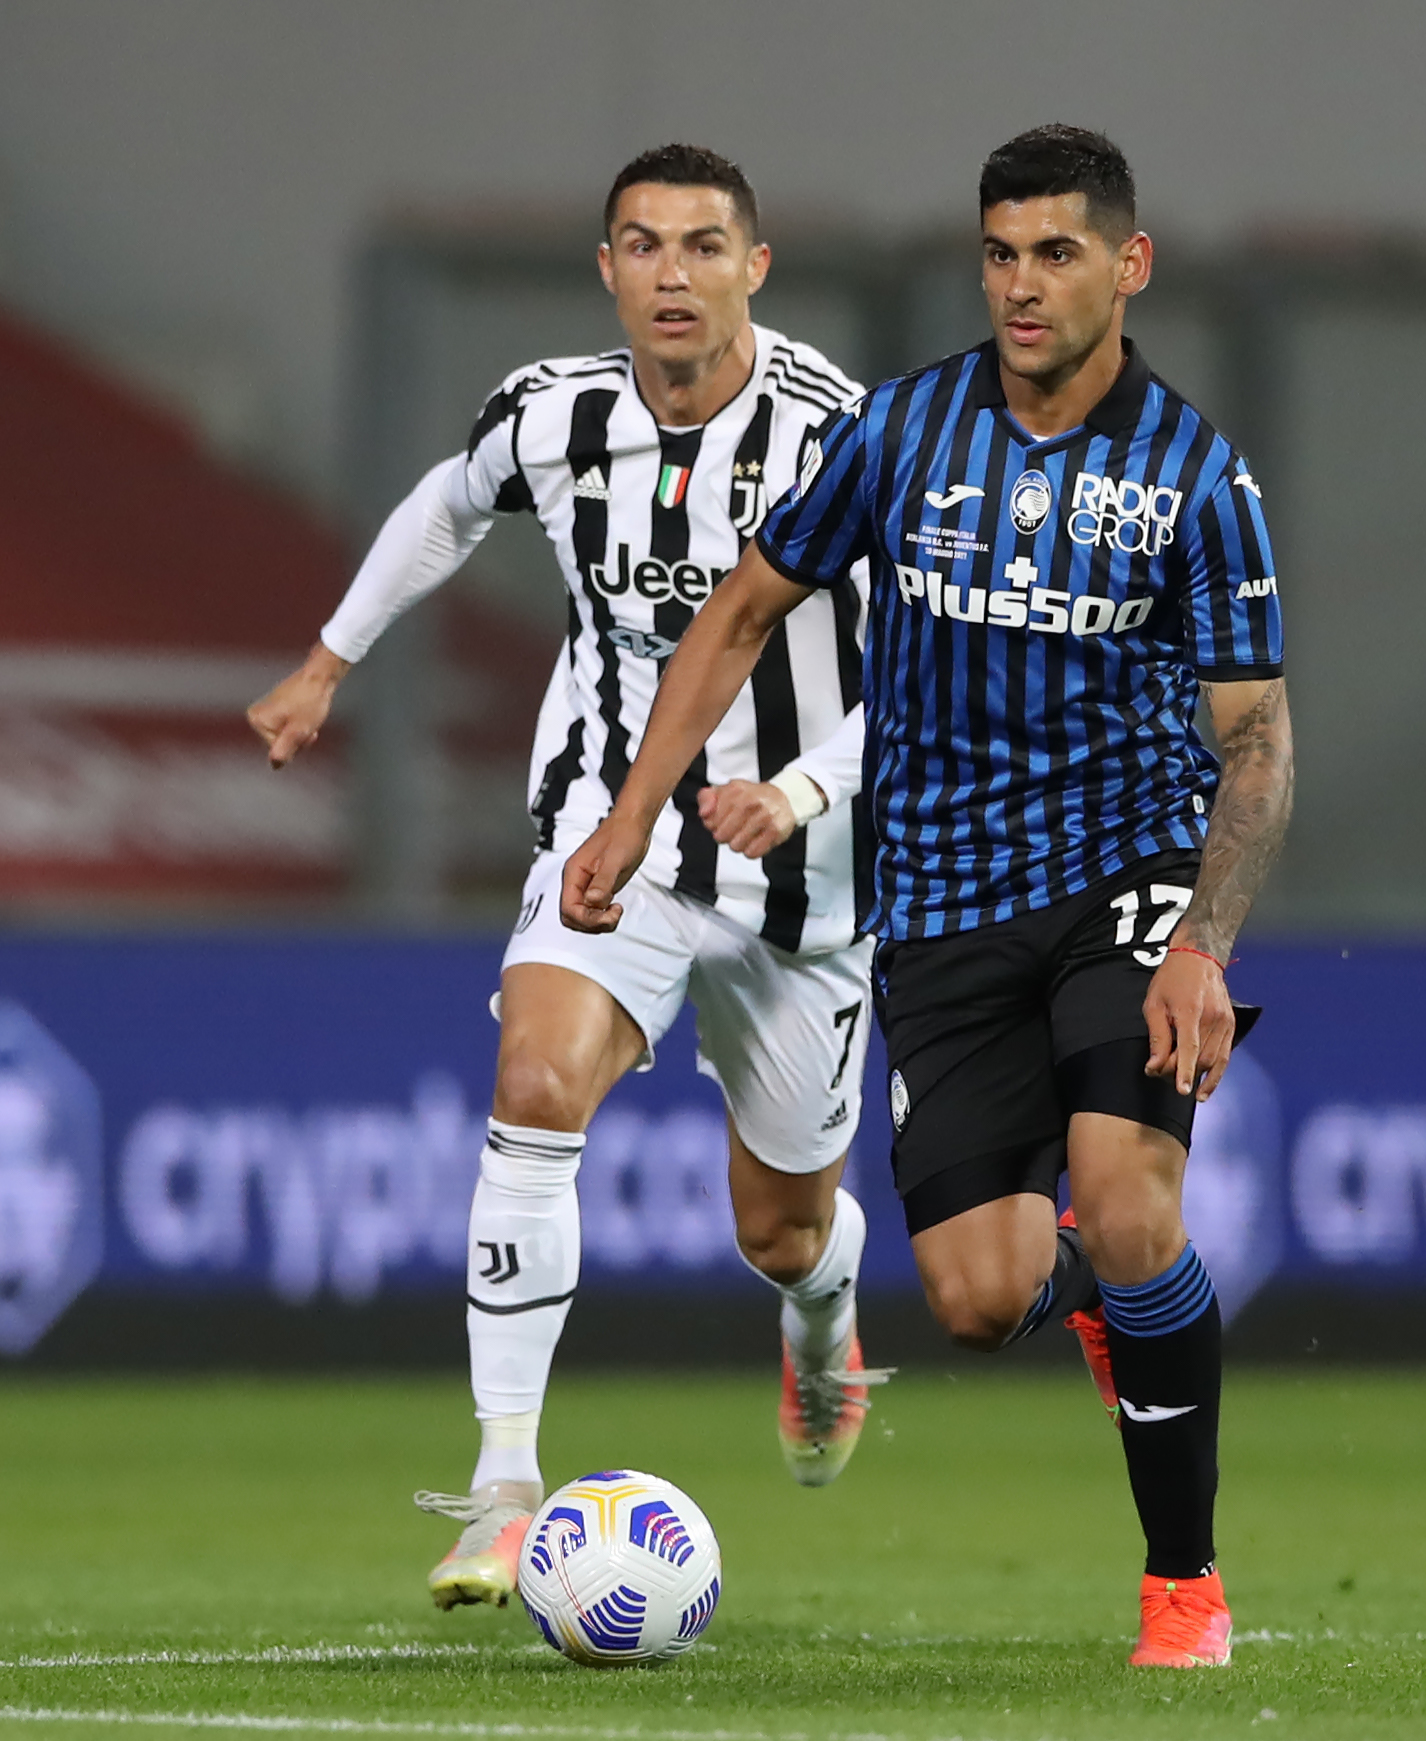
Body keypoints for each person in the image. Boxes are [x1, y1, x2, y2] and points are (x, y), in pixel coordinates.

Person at [558, 125, 1293, 1669]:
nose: (1023, 287)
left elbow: (1258, 740)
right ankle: (1095, 1293)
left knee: (1133, 1195)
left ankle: (1185, 1586)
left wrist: (1205, 945)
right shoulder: (902, 433)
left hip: (1129, 877)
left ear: (1128, 265)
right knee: (973, 1298)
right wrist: (630, 817)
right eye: (1002, 254)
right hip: (946, 902)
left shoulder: (1195, 476)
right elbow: (744, 609)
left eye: (1059, 254)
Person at [246, 145, 887, 1613]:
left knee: (777, 1224)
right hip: (616, 828)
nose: (675, 274)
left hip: (804, 868)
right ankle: (504, 1483)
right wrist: (327, 661)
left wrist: (794, 791)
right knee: (534, 1088)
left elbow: (923, 663)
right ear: (607, 269)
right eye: (644, 246)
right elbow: (444, 504)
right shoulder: (555, 416)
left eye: (705, 247)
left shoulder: (841, 439)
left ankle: (824, 1304)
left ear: (756, 269)